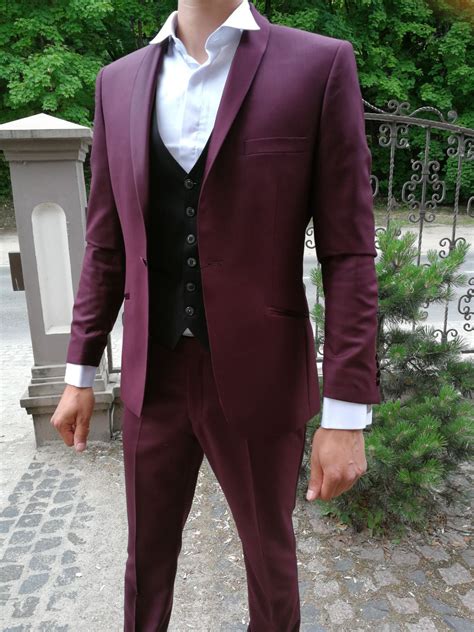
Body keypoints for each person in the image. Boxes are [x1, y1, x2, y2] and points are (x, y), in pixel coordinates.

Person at [51, 0, 381, 629]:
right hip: (153, 378)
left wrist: (345, 412)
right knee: (145, 566)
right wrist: (79, 371)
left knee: (270, 566)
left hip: (261, 377)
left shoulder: (318, 66)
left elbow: (348, 253)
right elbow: (105, 244)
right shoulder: (117, 82)